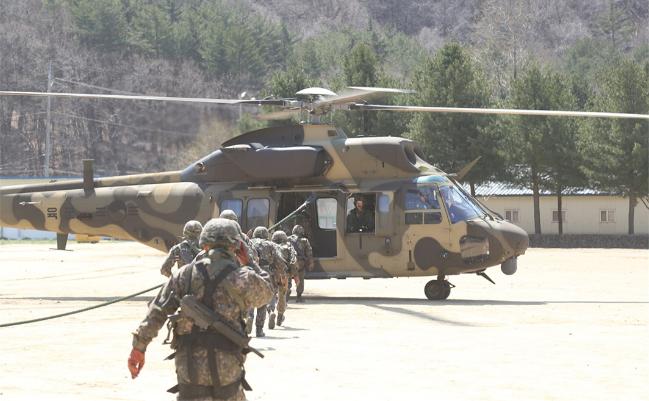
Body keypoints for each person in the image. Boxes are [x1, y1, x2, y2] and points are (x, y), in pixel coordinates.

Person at [127, 218, 274, 401]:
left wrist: (138, 348)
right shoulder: (241, 277)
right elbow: (267, 293)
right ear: (236, 246)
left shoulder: (184, 275)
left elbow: (157, 311)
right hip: (226, 369)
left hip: (190, 368)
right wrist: (249, 263)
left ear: (204, 244)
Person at [219, 209, 261, 335]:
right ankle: (249, 317)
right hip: (241, 274)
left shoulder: (214, 235)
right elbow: (254, 256)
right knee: (247, 296)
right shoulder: (244, 237)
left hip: (220, 275)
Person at [249, 226, 285, 337]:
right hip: (266, 274)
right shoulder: (270, 245)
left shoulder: (249, 243)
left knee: (249, 298)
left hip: (250, 272)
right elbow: (279, 261)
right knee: (263, 300)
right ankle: (259, 330)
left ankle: (249, 319)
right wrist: (281, 273)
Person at [270, 230, 298, 327]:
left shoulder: (269, 245)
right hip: (284, 276)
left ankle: (271, 311)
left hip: (271, 274)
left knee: (271, 294)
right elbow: (293, 261)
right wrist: (294, 275)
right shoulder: (289, 246)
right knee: (282, 295)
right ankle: (280, 316)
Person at [288, 225, 313, 303]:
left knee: (288, 279)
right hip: (300, 263)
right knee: (300, 279)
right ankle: (299, 297)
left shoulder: (287, 239)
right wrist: (310, 262)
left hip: (289, 262)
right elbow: (309, 252)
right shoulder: (304, 240)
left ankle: (286, 297)